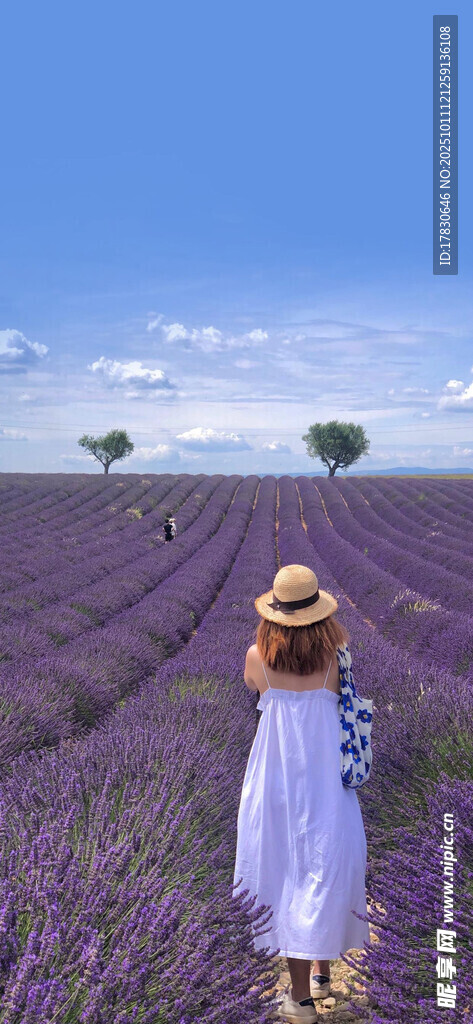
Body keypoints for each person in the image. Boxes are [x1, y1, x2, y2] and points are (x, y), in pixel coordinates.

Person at [233, 564, 371, 1024]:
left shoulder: (256, 657)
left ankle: (301, 1000)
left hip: (275, 779)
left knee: (285, 875)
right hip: (326, 779)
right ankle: (323, 975)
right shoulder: (339, 653)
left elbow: (255, 689)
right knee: (325, 867)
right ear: (321, 614)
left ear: (275, 614)